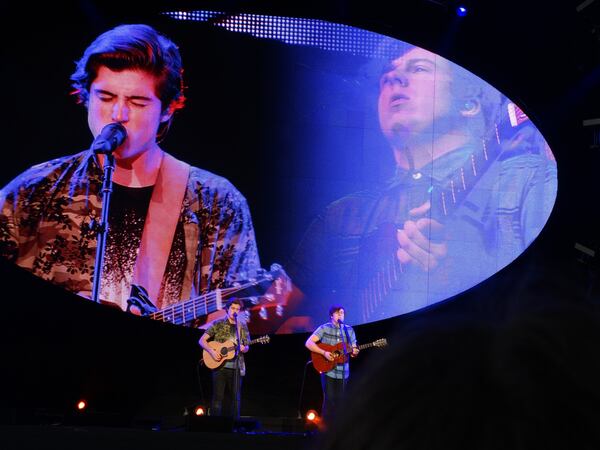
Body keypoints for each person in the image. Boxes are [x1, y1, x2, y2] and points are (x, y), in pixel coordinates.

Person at [284, 39, 558, 327]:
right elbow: (283, 316)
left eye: (419, 68)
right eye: (387, 75)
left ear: (470, 104)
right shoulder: (343, 214)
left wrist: (469, 272)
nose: (393, 78)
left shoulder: (526, 180)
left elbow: (557, 305)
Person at [0, 24, 261, 314]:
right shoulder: (36, 190)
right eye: (105, 97)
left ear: (167, 110)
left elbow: (236, 324)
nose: (118, 114)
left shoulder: (216, 202)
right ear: (86, 96)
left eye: (137, 102)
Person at [305, 305, 359, 423]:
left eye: (342, 313)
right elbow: (308, 343)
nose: (341, 314)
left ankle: (339, 430)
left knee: (342, 402)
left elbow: (353, 350)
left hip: (344, 372)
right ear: (331, 315)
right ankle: (326, 431)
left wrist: (354, 352)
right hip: (328, 369)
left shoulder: (349, 330)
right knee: (329, 401)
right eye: (338, 312)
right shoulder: (324, 328)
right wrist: (324, 352)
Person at [199, 298, 250, 417]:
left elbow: (247, 346)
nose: (235, 311)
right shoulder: (218, 323)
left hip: (237, 367)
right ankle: (216, 427)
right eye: (233, 308)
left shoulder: (242, 326)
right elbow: (201, 340)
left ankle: (235, 427)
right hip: (219, 367)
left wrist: (244, 348)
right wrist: (211, 351)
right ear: (227, 309)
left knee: (236, 400)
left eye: (237, 309)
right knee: (217, 398)